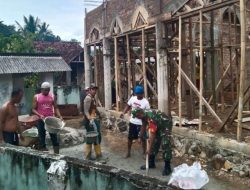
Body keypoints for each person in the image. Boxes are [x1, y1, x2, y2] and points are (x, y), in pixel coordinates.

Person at [135, 109, 173, 176]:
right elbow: (143, 125)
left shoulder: (151, 117)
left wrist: (148, 150)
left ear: (140, 113)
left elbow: (152, 134)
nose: (137, 118)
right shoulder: (143, 116)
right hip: (157, 124)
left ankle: (167, 167)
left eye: (137, 116)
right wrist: (140, 137)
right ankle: (151, 163)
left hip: (165, 125)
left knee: (165, 144)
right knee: (155, 143)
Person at [32, 82, 63, 153]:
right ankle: (43, 153)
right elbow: (33, 109)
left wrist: (60, 116)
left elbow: (56, 107)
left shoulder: (52, 96)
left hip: (51, 120)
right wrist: (39, 115)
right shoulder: (36, 97)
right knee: (42, 138)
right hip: (41, 120)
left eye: (48, 90)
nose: (47, 91)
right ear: (41, 89)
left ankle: (57, 154)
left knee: (54, 138)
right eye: (45, 90)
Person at [120, 85, 150, 158]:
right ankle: (128, 152)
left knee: (143, 138)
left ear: (142, 93)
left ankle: (144, 153)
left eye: (139, 94)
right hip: (132, 122)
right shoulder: (133, 99)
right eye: (137, 94)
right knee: (130, 138)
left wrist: (144, 120)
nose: (138, 95)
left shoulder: (145, 102)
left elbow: (147, 114)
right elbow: (128, 106)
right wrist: (123, 112)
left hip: (141, 124)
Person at [83, 84, 102, 160]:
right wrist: (90, 119)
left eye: (95, 89)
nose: (95, 91)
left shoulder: (92, 98)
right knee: (92, 137)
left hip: (93, 119)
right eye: (93, 89)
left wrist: (99, 114)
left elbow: (94, 108)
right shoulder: (88, 98)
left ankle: (98, 154)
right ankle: (88, 155)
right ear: (90, 90)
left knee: (97, 136)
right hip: (89, 121)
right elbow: (86, 111)